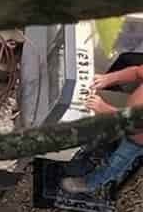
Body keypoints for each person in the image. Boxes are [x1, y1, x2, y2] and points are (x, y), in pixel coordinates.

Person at [61, 62, 143, 194]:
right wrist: (108, 79)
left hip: (138, 139)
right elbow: (136, 72)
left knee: (116, 162)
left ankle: (90, 183)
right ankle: (86, 155)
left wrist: (105, 109)